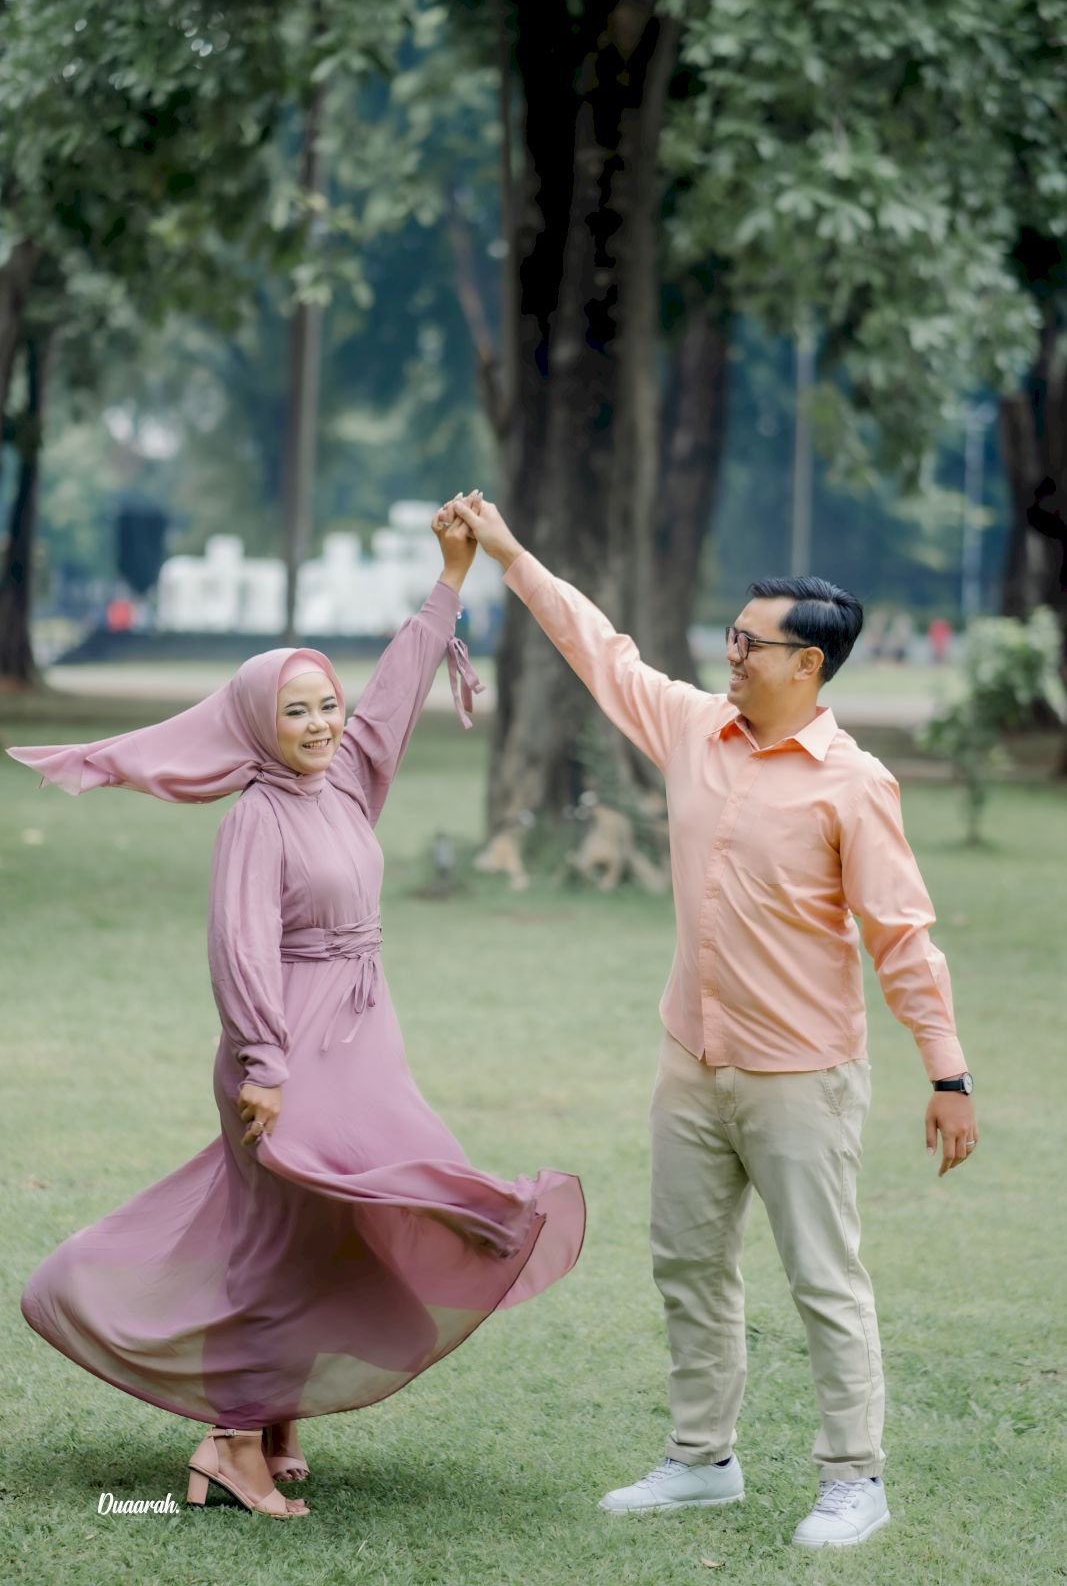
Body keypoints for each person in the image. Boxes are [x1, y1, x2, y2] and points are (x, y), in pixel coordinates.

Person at [8, 500, 585, 1522]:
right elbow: (238, 951)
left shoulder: (346, 781)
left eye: (326, 706)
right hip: (286, 1055)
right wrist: (266, 1069)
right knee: (283, 1236)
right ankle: (231, 1441)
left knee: (335, 1226)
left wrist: (450, 580)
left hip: (360, 1044)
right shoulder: (258, 818)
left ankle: (273, 1421)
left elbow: (393, 696)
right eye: (296, 713)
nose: (320, 726)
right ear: (255, 727)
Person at [446, 492, 978, 1551]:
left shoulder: (853, 786)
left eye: (749, 644)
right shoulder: (694, 728)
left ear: (807, 665)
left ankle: (853, 1480)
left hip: (800, 1076)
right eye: (729, 636)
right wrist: (508, 553)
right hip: (690, 1060)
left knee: (823, 1281)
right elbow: (598, 651)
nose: (728, 655)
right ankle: (701, 1460)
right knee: (687, 1267)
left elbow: (901, 936)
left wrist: (947, 1075)